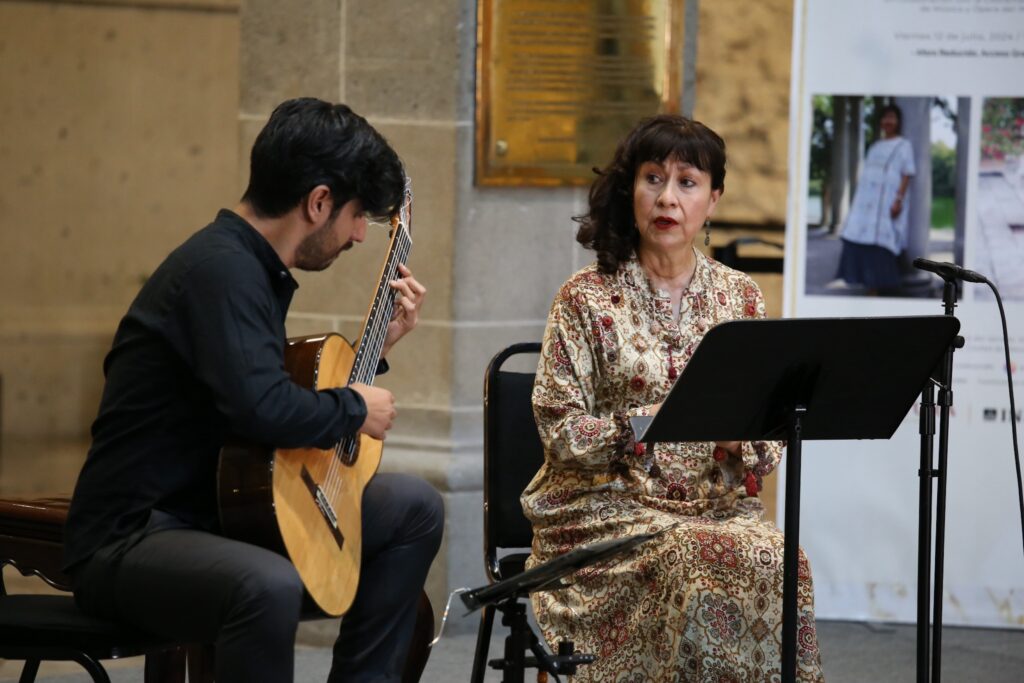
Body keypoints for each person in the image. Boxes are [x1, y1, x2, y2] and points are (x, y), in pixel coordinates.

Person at [62, 98, 444, 683]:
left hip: (217, 513)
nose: (361, 235)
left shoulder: (251, 269)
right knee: (266, 586)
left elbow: (259, 402)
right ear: (318, 202)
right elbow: (265, 412)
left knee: (413, 507)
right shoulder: (221, 270)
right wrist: (353, 407)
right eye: (358, 214)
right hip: (136, 534)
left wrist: (379, 350)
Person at [522, 114, 824, 681]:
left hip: (716, 507)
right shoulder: (584, 298)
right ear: (630, 191)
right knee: (694, 560)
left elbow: (776, 432)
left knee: (787, 561)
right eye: (653, 178)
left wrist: (745, 439)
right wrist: (642, 424)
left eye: (687, 182)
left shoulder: (741, 296)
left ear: (713, 201)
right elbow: (558, 427)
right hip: (605, 511)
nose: (667, 197)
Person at [833, 103, 916, 294]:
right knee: (859, 238)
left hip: (885, 202)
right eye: (885, 117)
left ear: (898, 121)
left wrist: (899, 200)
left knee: (881, 242)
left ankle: (878, 287)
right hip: (865, 203)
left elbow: (907, 174)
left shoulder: (904, 145)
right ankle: (866, 282)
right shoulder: (876, 146)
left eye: (892, 117)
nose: (888, 121)